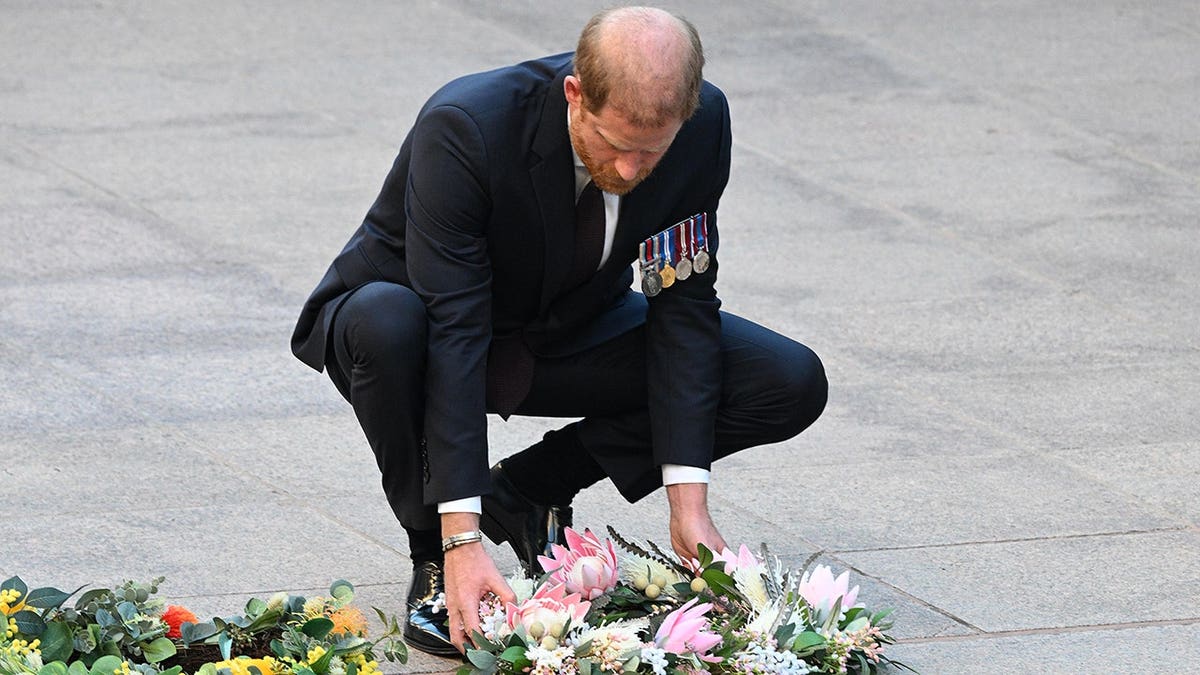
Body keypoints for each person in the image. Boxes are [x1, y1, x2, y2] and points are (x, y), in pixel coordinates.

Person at [290, 6, 827, 657]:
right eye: (614, 144)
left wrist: (690, 502)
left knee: (786, 379)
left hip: (573, 318)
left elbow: (680, 300)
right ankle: (432, 557)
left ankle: (530, 487)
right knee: (385, 323)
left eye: (650, 152)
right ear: (575, 93)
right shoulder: (467, 127)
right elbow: (456, 333)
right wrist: (460, 539)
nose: (630, 170)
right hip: (423, 326)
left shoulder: (703, 125)